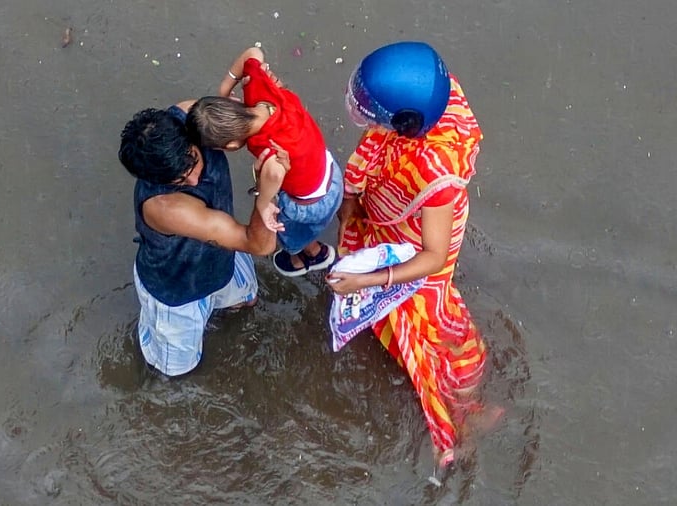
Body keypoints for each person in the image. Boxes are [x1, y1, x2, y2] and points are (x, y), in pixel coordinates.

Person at [326, 41, 489, 469]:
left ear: (406, 122)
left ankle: (464, 417)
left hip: (422, 240)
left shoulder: (436, 175)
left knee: (431, 326)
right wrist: (352, 205)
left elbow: (432, 258)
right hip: (397, 215)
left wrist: (367, 280)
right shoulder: (433, 97)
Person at [118, 105, 277, 377]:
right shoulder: (167, 208)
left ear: (190, 134)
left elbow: (258, 114)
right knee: (174, 371)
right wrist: (266, 191)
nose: (193, 180)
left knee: (246, 301)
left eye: (191, 161)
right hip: (177, 289)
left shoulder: (191, 114)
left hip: (220, 254)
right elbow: (260, 245)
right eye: (179, 180)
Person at [185, 46, 343, 277]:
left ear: (229, 146)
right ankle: (311, 247)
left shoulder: (270, 147)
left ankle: (306, 255)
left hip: (311, 202)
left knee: (289, 231)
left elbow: (275, 173)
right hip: (328, 169)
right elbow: (252, 54)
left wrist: (263, 202)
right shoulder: (258, 91)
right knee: (306, 226)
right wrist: (225, 88)